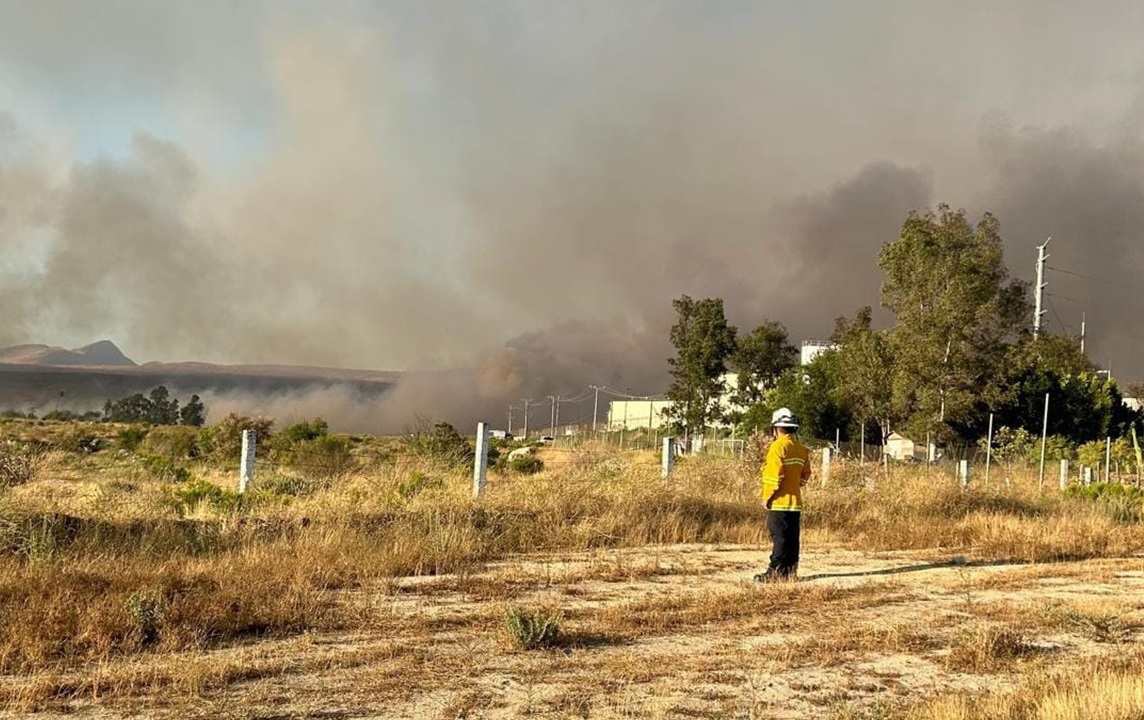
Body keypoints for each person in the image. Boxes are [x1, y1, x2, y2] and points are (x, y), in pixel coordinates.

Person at [754, 407, 810, 582]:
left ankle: (774, 573)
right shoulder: (801, 449)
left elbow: (774, 476)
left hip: (779, 502)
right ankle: (789, 572)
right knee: (792, 539)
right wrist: (794, 486)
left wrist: (767, 497)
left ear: (776, 428)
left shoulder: (777, 447)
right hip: (795, 502)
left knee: (779, 538)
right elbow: (805, 474)